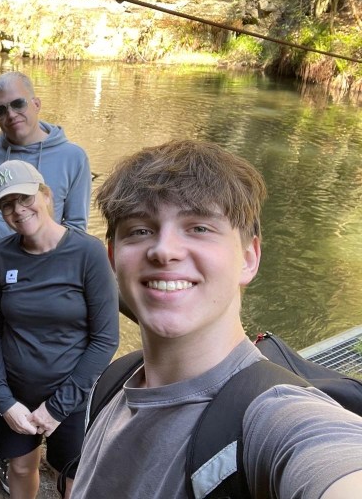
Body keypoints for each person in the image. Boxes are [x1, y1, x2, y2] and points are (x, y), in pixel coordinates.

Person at [69, 139, 362, 499]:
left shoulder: (275, 418)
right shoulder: (113, 383)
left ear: (249, 258)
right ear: (113, 257)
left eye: (199, 228)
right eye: (140, 230)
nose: (164, 250)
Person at [0, 71, 92, 490]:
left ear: (36, 102)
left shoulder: (72, 158)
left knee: (27, 359)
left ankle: (13, 439)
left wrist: (59, 282)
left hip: (41, 291)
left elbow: (77, 227)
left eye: (17, 104)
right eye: (0, 109)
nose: (10, 115)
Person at [0, 160, 119, 498]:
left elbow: (105, 339)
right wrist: (3, 399)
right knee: (21, 467)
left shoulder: (88, 253)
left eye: (25, 198)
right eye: (7, 205)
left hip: (72, 396)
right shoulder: (1, 256)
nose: (18, 210)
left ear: (46, 195)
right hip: (16, 394)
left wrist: (58, 406)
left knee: (71, 478)